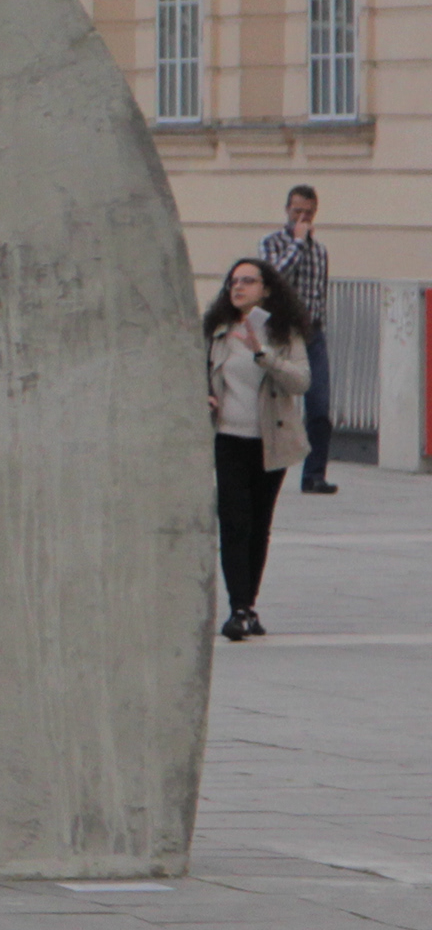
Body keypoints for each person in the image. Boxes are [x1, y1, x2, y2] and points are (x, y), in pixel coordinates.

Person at [205, 254, 313, 640]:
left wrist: (263, 354)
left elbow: (301, 381)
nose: (238, 287)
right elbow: (196, 371)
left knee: (258, 525)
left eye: (248, 281)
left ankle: (249, 605)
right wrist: (203, 394)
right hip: (228, 439)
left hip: (271, 442)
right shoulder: (217, 331)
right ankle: (238, 609)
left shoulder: (283, 333)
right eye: (233, 281)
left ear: (266, 290)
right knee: (234, 523)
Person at [258, 186, 337, 496]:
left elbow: (319, 293)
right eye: (297, 212)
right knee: (271, 402)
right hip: (280, 332)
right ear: (286, 210)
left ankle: (314, 475)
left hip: (312, 332)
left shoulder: (320, 251)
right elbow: (273, 279)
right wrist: (297, 242)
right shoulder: (272, 243)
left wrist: (320, 326)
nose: (302, 218)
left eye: (308, 213)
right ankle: (264, 466)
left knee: (319, 406)